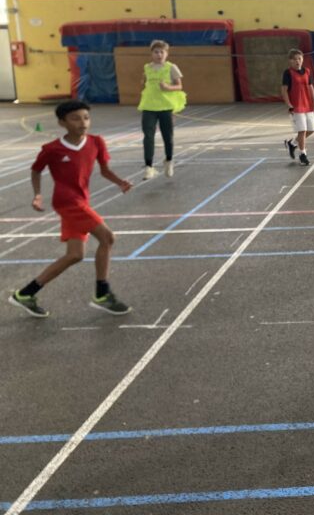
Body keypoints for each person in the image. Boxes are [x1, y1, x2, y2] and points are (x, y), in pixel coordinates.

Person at [9, 100, 133, 318]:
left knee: (74, 255)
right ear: (62, 122)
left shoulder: (96, 142)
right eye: (75, 118)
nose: (82, 123)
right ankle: (102, 294)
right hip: (67, 202)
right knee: (107, 238)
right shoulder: (52, 149)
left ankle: (25, 294)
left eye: (86, 117)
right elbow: (36, 170)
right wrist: (37, 194)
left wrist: (119, 181)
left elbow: (104, 170)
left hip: (82, 200)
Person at [139, 39, 186, 180]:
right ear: (151, 54)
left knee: (167, 136)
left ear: (166, 54)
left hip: (165, 106)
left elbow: (179, 86)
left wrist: (168, 87)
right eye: (156, 52)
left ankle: (169, 160)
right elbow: (143, 82)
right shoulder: (147, 68)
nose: (159, 54)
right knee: (148, 136)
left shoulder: (172, 67)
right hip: (149, 106)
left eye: (162, 52)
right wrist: (145, 86)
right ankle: (149, 167)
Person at [281, 48, 314, 166]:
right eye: (295, 59)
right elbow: (284, 90)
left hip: (308, 105)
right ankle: (303, 154)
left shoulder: (307, 71)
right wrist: (289, 104)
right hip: (296, 106)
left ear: (302, 59)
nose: (298, 61)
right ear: (290, 61)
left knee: (311, 130)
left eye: (299, 58)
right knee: (302, 131)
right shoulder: (288, 73)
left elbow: (310, 87)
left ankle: (292, 143)